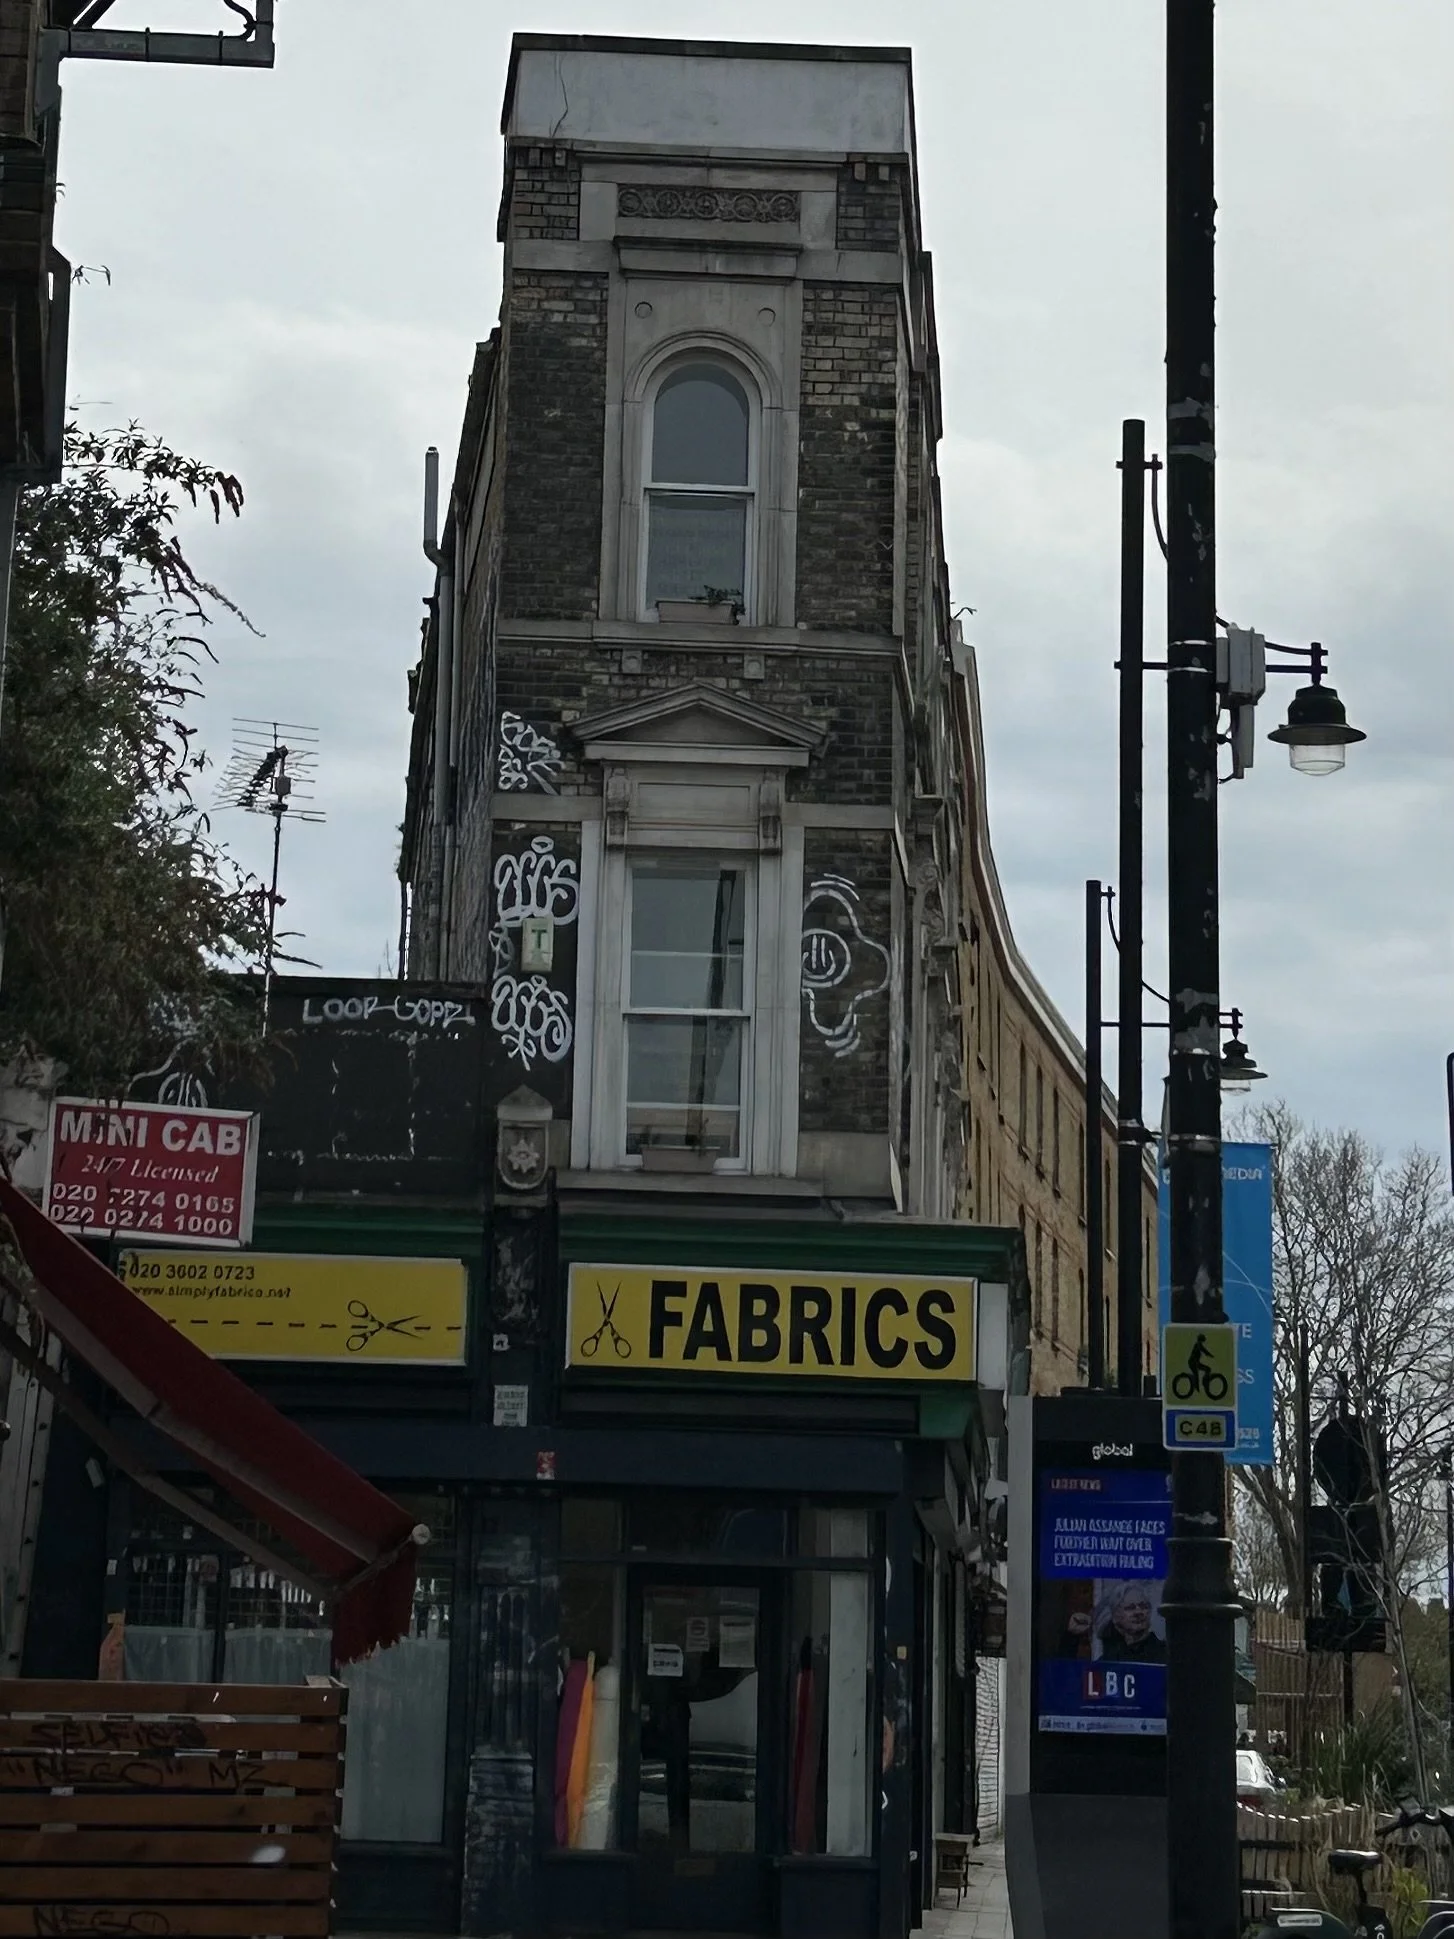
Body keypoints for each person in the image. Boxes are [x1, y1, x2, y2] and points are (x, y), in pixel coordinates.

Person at [1065, 1581, 1166, 1662]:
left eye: (1143, 1606)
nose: (1138, 1612)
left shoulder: (1166, 1653)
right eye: (1130, 1608)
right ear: (1115, 1617)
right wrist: (1072, 1638)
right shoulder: (1109, 1660)